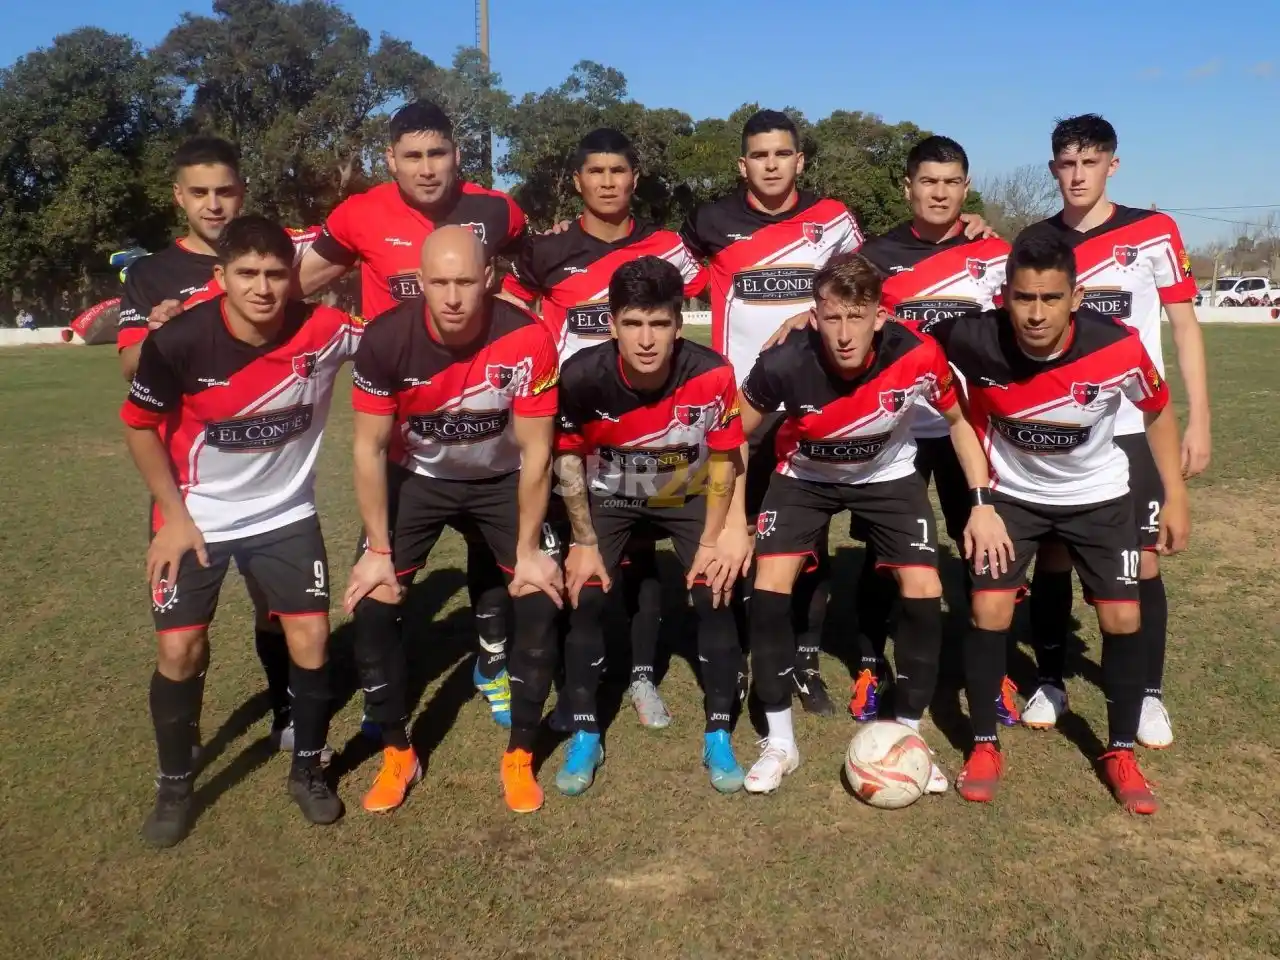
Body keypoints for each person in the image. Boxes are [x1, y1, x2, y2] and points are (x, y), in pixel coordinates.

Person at [121, 216, 362, 847]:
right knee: (179, 651)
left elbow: (401, 343)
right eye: (247, 273)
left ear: (293, 277)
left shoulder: (328, 330)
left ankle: (307, 770)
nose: (262, 287)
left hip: (284, 513)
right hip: (195, 514)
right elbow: (139, 427)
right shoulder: (179, 341)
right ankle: (175, 785)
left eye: (275, 274)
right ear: (221, 276)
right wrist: (173, 518)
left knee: (310, 637)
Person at [732, 253, 1011, 794]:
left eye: (856, 317)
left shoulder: (918, 354)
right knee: (768, 586)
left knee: (924, 585)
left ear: (879, 316)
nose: (843, 333)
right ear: (813, 317)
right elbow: (734, 436)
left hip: (888, 474)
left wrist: (981, 502)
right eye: (832, 317)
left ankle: (907, 734)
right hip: (804, 474)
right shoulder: (783, 361)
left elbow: (959, 423)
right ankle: (780, 743)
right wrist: (730, 522)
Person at [932, 230, 1189, 813]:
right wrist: (800, 325)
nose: (1036, 313)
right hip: (1011, 498)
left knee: (1123, 617)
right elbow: (894, 338)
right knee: (988, 609)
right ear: (1005, 296)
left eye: (1051, 298)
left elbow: (1157, 410)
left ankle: (1120, 750)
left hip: (1099, 496)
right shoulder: (970, 335)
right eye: (1024, 298)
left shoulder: (1117, 345)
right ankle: (983, 743)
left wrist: (1174, 495)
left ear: (1076, 297)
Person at [297, 100, 532, 731]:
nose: (427, 169)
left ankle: (491, 659)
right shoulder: (359, 214)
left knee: (496, 558)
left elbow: (541, 272)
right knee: (378, 577)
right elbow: (296, 285)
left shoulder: (496, 210)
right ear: (390, 161)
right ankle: (384, 693)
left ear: (457, 155)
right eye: (412, 157)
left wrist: (518, 312)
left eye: (438, 154)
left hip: (490, 427)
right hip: (405, 436)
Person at [343, 226, 563, 816]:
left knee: (539, 596)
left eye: (466, 281)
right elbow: (367, 449)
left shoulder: (528, 338)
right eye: (438, 282)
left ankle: (520, 751)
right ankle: (397, 751)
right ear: (419, 283)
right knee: (374, 601)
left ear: (489, 278)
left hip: (501, 480)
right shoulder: (385, 339)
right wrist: (377, 550)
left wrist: (529, 547)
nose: (453, 296)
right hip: (419, 482)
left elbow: (538, 452)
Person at [115, 136, 322, 762]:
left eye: (225, 191)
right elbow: (131, 366)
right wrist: (163, 331)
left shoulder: (272, 252)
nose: (213, 204)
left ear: (242, 193)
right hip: (194, 485)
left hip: (272, 489)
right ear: (179, 197)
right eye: (199, 193)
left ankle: (287, 708)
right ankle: (180, 752)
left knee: (275, 609)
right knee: (182, 643)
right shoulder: (152, 273)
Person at [1018, 115, 1209, 747]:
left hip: (1133, 428)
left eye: (1090, 163)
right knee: (1052, 555)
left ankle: (1148, 693)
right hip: (1059, 429)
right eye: (1066, 164)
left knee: (1144, 562)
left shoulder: (1153, 232)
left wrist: (1198, 420)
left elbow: (1184, 326)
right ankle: (1050, 679)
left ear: (1112, 166)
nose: (1077, 176)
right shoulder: (1036, 241)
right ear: (1053, 170)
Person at [509, 127, 708, 730]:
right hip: (572, 427)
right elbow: (512, 309)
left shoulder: (668, 246)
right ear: (578, 181)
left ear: (634, 178)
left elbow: (722, 274)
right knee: (573, 555)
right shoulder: (546, 251)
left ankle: (643, 675)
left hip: (646, 430)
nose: (607, 181)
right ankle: (576, 684)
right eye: (594, 171)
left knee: (643, 563)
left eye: (618, 171)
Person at [678, 109, 865, 715]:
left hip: (811, 405)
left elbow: (866, 286)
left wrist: (811, 316)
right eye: (759, 155)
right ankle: (731, 656)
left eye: (782, 154)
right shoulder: (709, 222)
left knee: (808, 542)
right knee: (727, 532)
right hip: (737, 411)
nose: (771, 164)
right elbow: (652, 268)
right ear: (743, 164)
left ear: (799, 160)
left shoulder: (831, 219)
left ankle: (802, 660)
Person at [555, 257, 746, 796]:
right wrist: (583, 542)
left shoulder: (711, 371)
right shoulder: (581, 376)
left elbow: (725, 460)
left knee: (715, 592)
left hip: (683, 494)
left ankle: (719, 733)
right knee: (586, 594)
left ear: (678, 325)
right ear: (612, 323)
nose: (645, 339)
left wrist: (714, 539)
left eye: (659, 324)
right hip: (610, 497)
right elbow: (568, 461)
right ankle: (587, 733)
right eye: (633, 323)